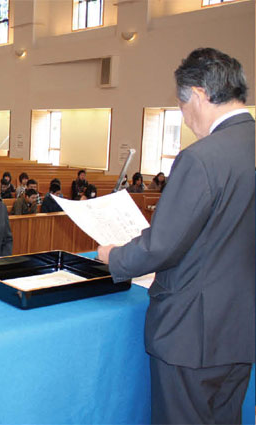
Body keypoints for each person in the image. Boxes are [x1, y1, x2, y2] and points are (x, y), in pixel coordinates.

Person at [97, 48, 254, 425]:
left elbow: (162, 244)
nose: (185, 119)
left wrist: (114, 256)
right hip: (241, 326)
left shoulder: (202, 158)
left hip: (192, 333)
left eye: (182, 107)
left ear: (198, 95)